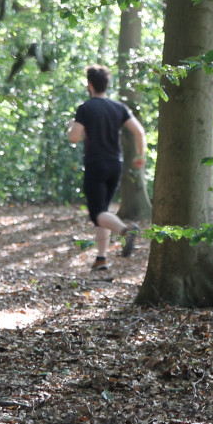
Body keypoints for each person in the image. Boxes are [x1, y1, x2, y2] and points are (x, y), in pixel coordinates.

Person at [67, 64, 147, 270]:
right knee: (104, 211)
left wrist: (71, 124)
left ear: (90, 85)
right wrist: (140, 155)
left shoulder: (86, 108)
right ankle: (101, 258)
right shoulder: (119, 108)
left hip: (96, 164)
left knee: (96, 214)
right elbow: (139, 132)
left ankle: (125, 231)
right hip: (115, 164)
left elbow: (74, 137)